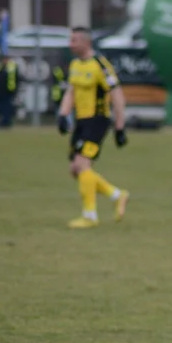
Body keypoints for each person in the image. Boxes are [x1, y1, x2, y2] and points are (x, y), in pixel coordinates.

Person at [56, 27, 130, 229]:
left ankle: (90, 216)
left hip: (97, 120)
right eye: (70, 40)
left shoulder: (100, 65)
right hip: (81, 121)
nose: (71, 44)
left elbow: (117, 95)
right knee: (75, 170)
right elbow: (71, 91)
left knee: (82, 166)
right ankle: (117, 195)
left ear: (86, 43)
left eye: (75, 40)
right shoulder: (75, 65)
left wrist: (120, 126)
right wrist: (63, 114)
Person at [0, 53, 19, 128]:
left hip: (9, 91)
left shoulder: (12, 67)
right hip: (0, 92)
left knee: (7, 107)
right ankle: (3, 121)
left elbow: (16, 79)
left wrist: (14, 89)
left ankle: (6, 122)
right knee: (1, 107)